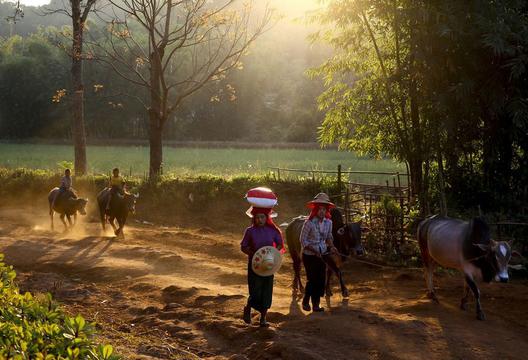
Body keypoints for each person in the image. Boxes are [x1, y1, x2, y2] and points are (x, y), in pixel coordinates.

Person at [240, 206, 284, 327]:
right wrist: (254, 254)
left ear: (267, 218)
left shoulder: (273, 230)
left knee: (267, 291)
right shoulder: (250, 231)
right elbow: (243, 247)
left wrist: (274, 252)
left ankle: (263, 318)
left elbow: (280, 244)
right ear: (254, 218)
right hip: (255, 265)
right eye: (257, 217)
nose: (260, 219)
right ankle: (248, 307)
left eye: (262, 217)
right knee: (256, 291)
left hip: (269, 265)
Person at [299, 193, 338, 312]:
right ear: (315, 210)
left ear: (326, 210)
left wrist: (332, 246)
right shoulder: (309, 223)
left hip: (322, 254)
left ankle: (316, 304)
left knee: (321, 279)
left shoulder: (328, 223)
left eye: (324, 209)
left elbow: (329, 237)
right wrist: (313, 250)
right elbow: (303, 240)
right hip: (309, 256)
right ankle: (306, 300)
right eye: (319, 209)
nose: (321, 211)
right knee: (312, 279)